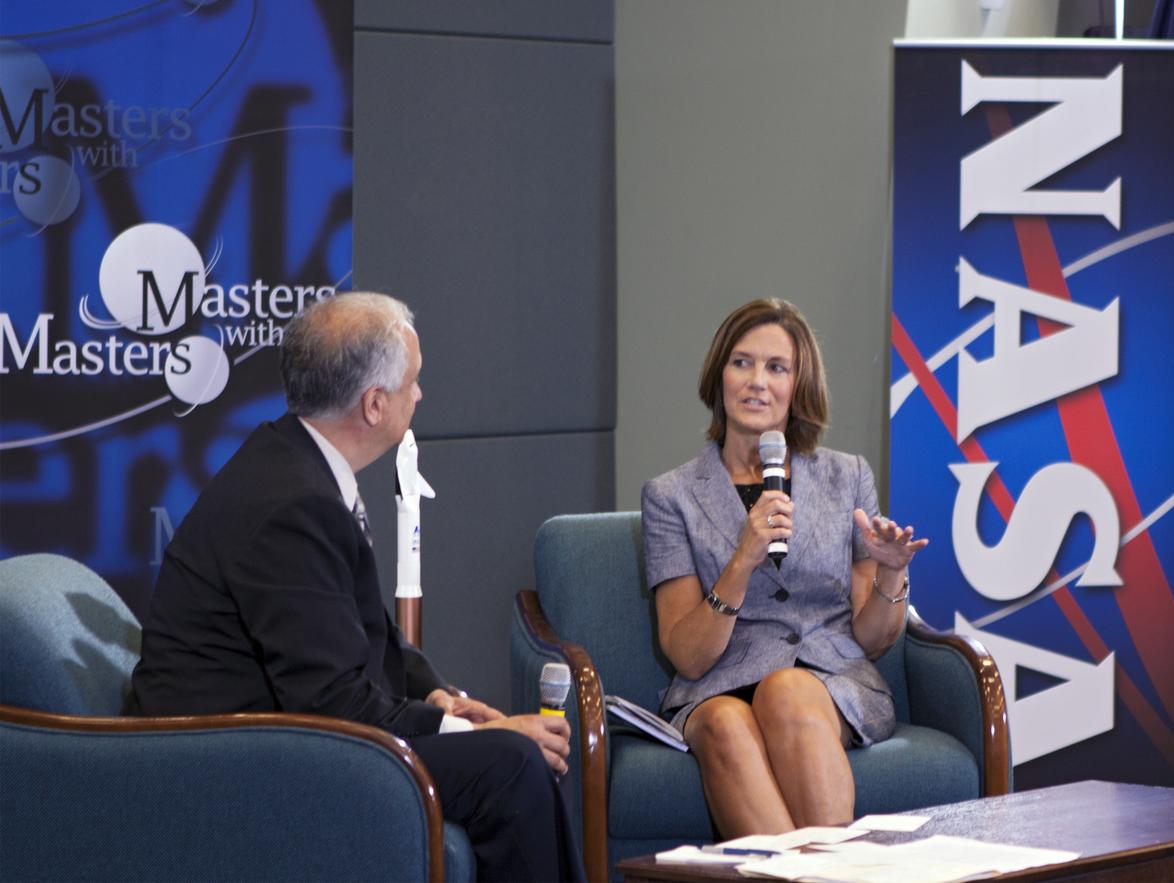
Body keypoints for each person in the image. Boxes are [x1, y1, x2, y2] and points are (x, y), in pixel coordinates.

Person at [131, 292, 585, 883]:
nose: (419, 395)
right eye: (412, 382)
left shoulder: (292, 462)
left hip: (273, 737)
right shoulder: (293, 505)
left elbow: (364, 633)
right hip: (230, 766)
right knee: (511, 763)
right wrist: (474, 730)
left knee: (511, 755)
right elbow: (332, 701)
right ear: (374, 404)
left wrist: (438, 696)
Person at [641, 298, 928, 838]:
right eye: (742, 363)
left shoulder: (847, 476)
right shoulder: (671, 496)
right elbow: (687, 655)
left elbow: (871, 640)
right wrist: (742, 559)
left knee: (785, 690)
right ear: (719, 375)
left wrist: (890, 573)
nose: (757, 382)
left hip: (828, 679)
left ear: (799, 386)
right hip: (717, 684)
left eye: (777, 368)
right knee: (723, 723)